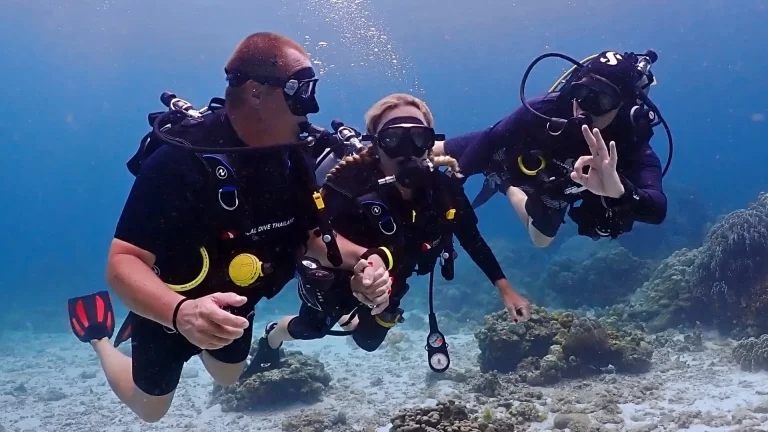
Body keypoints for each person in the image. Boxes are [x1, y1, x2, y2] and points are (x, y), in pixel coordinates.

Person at [65, 32, 393, 423]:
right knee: (150, 409)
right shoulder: (179, 160)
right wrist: (181, 313)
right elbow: (122, 262)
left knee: (228, 376)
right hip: (170, 303)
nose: (311, 108)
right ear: (256, 92)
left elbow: (310, 237)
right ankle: (101, 338)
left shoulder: (293, 159)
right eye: (300, 92)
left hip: (235, 302)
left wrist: (366, 262)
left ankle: (197, 335)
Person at [245, 93, 532, 374]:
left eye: (418, 139)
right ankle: (273, 336)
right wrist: (362, 263)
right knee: (312, 330)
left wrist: (505, 288)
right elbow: (311, 236)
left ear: (430, 144)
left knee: (368, 341)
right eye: (393, 140)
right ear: (376, 144)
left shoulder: (443, 191)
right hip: (338, 273)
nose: (407, 152)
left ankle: (351, 317)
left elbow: (471, 237)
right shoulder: (348, 181)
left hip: (394, 276)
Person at [434, 50, 669, 248]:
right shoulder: (548, 107)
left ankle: (504, 185)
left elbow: (658, 209)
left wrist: (620, 192)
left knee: (541, 241)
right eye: (582, 92)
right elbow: (490, 139)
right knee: (431, 149)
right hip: (515, 153)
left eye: (603, 99)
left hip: (554, 190)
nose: (585, 107)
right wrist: (451, 187)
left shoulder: (629, 144)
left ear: (624, 107)